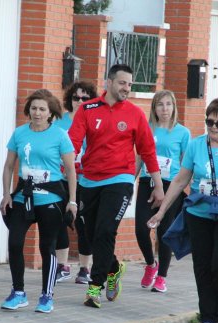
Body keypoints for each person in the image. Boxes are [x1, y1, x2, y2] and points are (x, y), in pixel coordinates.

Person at [148, 98, 218, 323]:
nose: (213, 128)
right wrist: (162, 212)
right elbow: (181, 179)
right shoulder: (196, 146)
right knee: (202, 265)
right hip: (198, 213)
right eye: (209, 122)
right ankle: (208, 318)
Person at [69, 63, 164, 308]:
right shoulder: (88, 109)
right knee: (90, 236)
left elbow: (147, 150)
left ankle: (94, 287)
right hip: (89, 180)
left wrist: (157, 184)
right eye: (122, 83)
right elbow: (73, 143)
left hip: (120, 179)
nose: (127, 88)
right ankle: (113, 268)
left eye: (130, 84)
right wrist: (65, 167)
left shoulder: (135, 113)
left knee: (105, 230)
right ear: (108, 82)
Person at [0, 89, 77, 314]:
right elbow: (8, 166)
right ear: (28, 110)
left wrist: (72, 201)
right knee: (14, 242)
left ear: (51, 112)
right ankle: (18, 293)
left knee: (47, 247)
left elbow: (70, 171)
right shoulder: (20, 133)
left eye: (42, 109)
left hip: (50, 197)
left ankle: (46, 295)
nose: (37, 113)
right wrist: (6, 194)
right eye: (34, 108)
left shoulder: (60, 135)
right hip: (24, 196)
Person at [136, 90, 190, 293]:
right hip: (147, 181)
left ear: (174, 107)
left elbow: (186, 165)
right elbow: (139, 158)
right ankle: (151, 264)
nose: (164, 109)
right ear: (154, 108)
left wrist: (185, 188)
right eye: (160, 104)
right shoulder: (147, 129)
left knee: (164, 230)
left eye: (168, 104)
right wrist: (127, 182)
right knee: (141, 228)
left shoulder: (182, 133)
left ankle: (162, 277)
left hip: (171, 184)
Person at [54, 80, 98, 284]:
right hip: (61, 178)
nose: (79, 101)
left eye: (85, 98)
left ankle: (84, 268)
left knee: (83, 223)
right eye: (75, 97)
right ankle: (62, 266)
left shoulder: (95, 121)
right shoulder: (58, 123)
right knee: (59, 221)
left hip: (86, 179)